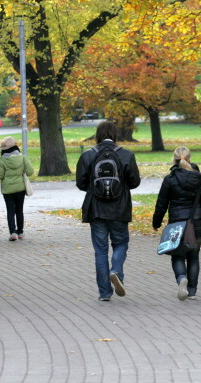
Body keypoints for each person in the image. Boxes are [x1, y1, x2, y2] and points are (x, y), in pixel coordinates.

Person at [75, 121, 141, 301]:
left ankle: (104, 293)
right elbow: (134, 182)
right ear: (115, 134)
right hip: (119, 209)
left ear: (97, 134)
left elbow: (81, 183)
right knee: (121, 243)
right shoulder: (126, 155)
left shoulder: (88, 155)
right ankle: (116, 270)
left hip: (96, 209)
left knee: (100, 251)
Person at [152, 146, 201, 301]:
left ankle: (181, 278)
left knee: (177, 255)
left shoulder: (170, 179)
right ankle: (192, 291)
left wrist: (157, 222)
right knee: (194, 256)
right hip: (197, 222)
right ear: (189, 158)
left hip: (177, 222)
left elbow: (161, 203)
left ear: (174, 159)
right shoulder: (200, 180)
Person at [0, 137, 34, 241]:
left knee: (10, 211)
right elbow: (30, 171)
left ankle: (13, 232)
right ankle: (20, 231)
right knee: (19, 210)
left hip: (8, 190)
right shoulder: (22, 158)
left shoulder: (2, 160)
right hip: (20, 188)